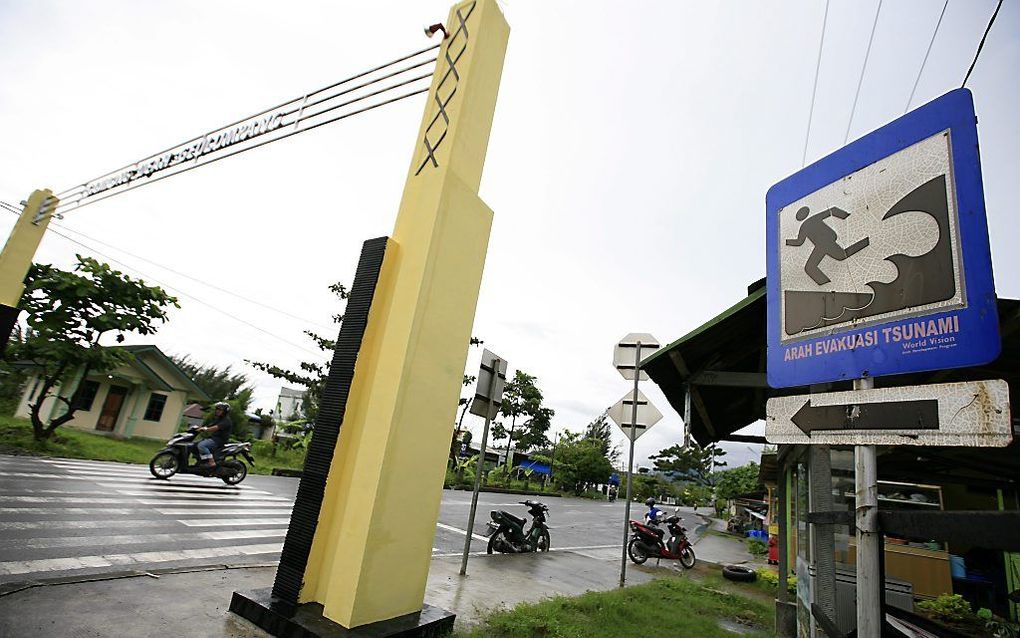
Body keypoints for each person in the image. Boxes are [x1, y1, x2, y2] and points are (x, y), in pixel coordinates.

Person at [196, 401, 233, 468]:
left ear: (225, 411)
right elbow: (209, 425)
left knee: (202, 445)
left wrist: (206, 429)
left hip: (219, 441)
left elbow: (215, 428)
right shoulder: (218, 419)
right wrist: (198, 428)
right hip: (213, 438)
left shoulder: (226, 421)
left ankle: (211, 461)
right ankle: (202, 460)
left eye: (220, 410)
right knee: (195, 444)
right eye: (217, 409)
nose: (217, 411)